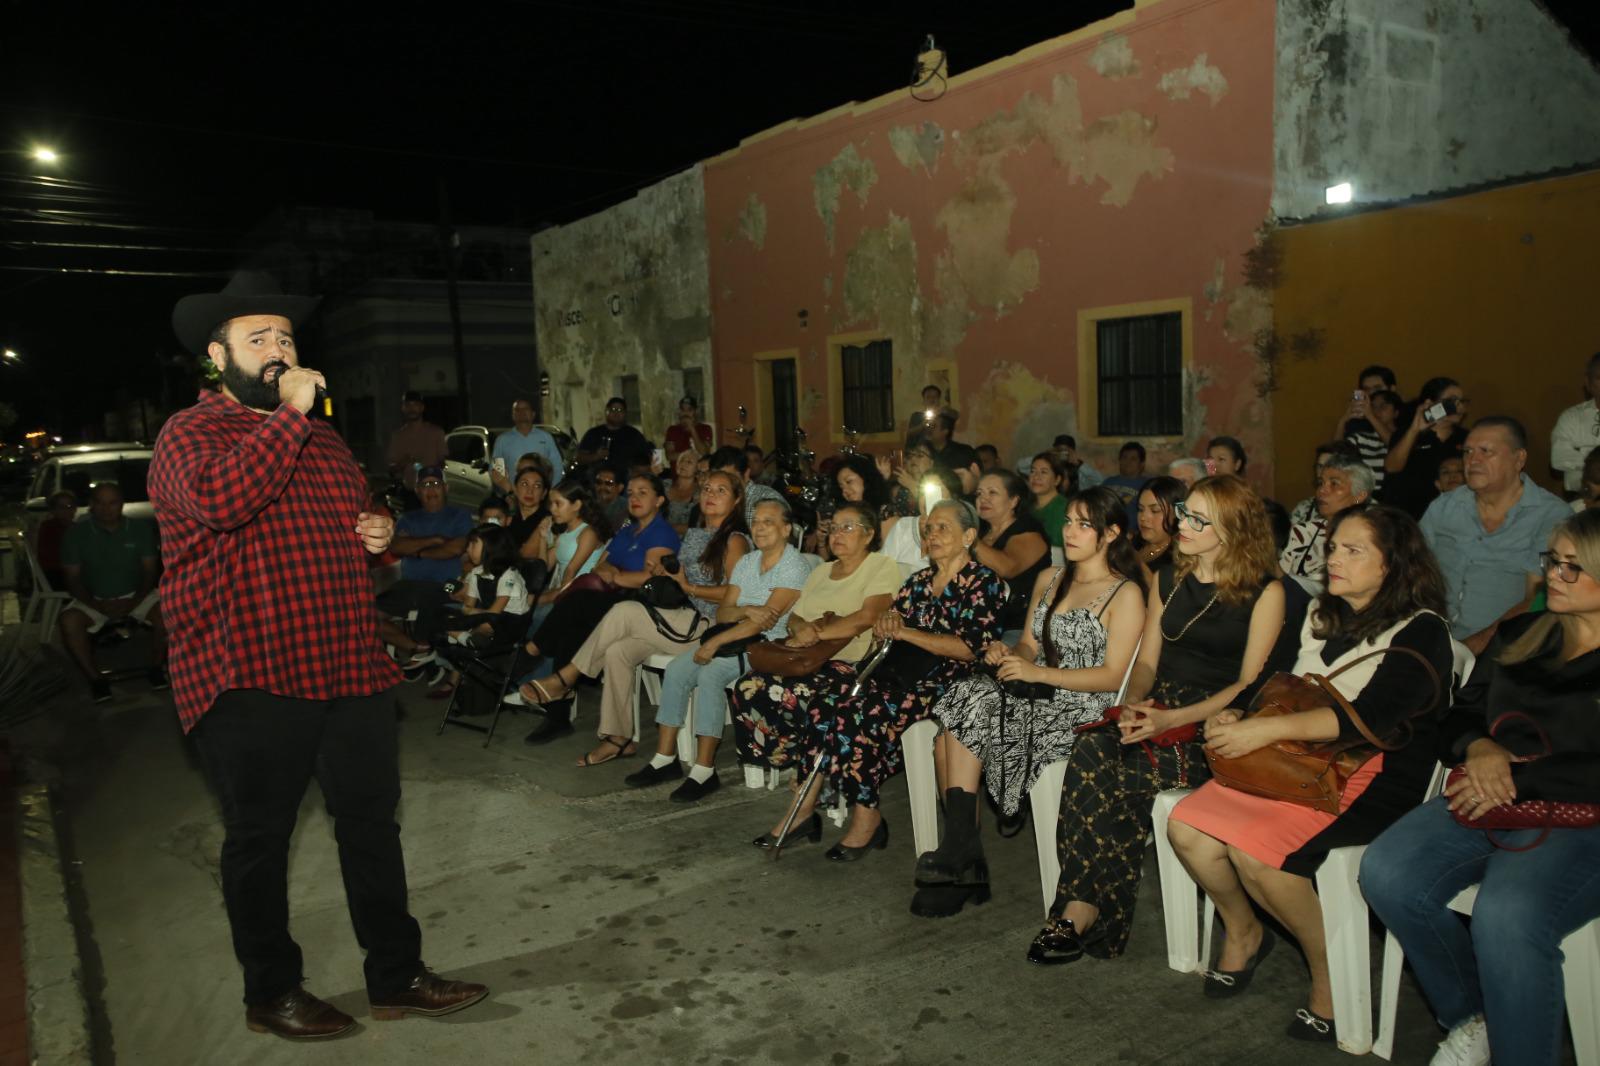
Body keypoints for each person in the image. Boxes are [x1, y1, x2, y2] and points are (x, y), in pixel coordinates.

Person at [153, 273, 484, 1039]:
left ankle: (396, 974)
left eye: (286, 337)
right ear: (217, 357)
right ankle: (272, 993)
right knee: (260, 840)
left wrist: (375, 533)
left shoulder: (323, 438)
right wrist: (292, 414)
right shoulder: (189, 436)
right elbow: (224, 502)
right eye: (258, 339)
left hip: (346, 659)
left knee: (371, 825)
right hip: (248, 670)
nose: (277, 349)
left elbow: (354, 515)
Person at [1167, 504, 1453, 1043]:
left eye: (1353, 550)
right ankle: (1245, 930)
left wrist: (1265, 731)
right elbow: (1274, 677)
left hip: (1371, 771)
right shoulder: (1322, 610)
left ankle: (1332, 980)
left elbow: (1372, 719)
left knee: (1257, 855)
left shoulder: (1422, 629)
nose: (1334, 559)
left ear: (1393, 564)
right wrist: (1239, 713)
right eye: (1333, 547)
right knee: (1186, 828)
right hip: (1292, 758)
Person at [1360, 509, 1600, 1066]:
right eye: (1552, 561)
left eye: (1573, 567)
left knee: (1508, 915)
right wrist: (1480, 747)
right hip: (1492, 798)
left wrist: (1516, 777)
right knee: (1386, 871)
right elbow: (1457, 714)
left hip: (1581, 817)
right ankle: (1477, 1019)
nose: (1554, 575)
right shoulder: (1520, 637)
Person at [1028, 475, 1284, 965]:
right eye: (1184, 512)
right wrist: (1133, 703)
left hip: (1216, 722)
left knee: (1117, 778)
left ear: (1230, 530)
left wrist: (1173, 720)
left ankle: (1083, 912)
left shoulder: (1264, 591)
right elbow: (1145, 663)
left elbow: (1247, 685)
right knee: (1091, 748)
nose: (1180, 523)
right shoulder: (1168, 577)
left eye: (1196, 519)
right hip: (1159, 707)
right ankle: (1082, 907)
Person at [918, 487, 1146, 915]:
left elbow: (1114, 675)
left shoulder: (1124, 593)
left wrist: (1039, 673)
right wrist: (1010, 655)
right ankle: (962, 848)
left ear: (1112, 533)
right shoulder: (1050, 578)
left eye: (1084, 525)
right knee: (966, 695)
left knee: (955, 727)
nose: (1070, 532)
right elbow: (1028, 643)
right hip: (1036, 693)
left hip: (1084, 708)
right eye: (1069, 522)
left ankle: (963, 856)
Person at [738, 500, 1005, 859]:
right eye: (929, 529)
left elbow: (970, 649)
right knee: (824, 706)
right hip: (898, 672)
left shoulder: (982, 582)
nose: (932, 534)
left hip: (948, 683)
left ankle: (867, 817)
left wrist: (905, 632)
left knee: (857, 715)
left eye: (943, 527)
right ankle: (804, 805)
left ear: (968, 536)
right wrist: (886, 626)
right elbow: (885, 631)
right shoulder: (918, 582)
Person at [729, 505, 901, 826]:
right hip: (807, 659)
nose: (837, 534)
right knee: (749, 687)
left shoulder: (882, 566)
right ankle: (804, 764)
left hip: (851, 663)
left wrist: (817, 634)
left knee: (796, 694)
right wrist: (801, 629)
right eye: (833, 528)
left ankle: (810, 781)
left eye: (847, 527)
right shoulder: (822, 570)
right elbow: (795, 616)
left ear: (869, 534)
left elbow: (867, 617)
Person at [633, 497, 812, 801]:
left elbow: (765, 623)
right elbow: (724, 612)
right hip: (732, 637)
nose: (759, 528)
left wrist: (717, 640)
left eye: (768, 522)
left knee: (711, 675)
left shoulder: (794, 566)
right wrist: (748, 609)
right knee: (676, 670)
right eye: (755, 522)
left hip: (766, 646)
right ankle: (665, 758)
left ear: (786, 529)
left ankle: (704, 770)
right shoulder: (747, 562)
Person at [515, 473, 684, 747]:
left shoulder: (661, 533)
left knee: (577, 602)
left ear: (659, 500)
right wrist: (614, 573)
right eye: (631, 493)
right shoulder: (627, 531)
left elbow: (650, 579)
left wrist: (617, 576)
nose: (634, 498)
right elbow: (599, 566)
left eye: (642, 492)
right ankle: (558, 714)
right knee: (573, 624)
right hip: (609, 600)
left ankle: (531, 653)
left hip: (641, 607)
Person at [1421, 416, 1570, 654]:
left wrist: (1469, 650)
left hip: (1506, 649)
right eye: (1468, 451)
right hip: (1432, 638)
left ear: (1519, 459)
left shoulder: (1551, 516)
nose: (1473, 460)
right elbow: (1410, 568)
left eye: (1486, 451)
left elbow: (1537, 600)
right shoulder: (1444, 507)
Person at [58, 482, 166, 702]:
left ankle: (157, 667)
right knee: (68, 622)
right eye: (100, 503)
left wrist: (134, 601)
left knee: (169, 613)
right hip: (94, 598)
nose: (106, 509)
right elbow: (73, 580)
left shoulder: (140, 529)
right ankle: (96, 679)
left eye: (112, 503)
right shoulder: (76, 534)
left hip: (137, 594)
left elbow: (150, 572)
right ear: (91, 505)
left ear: (121, 504)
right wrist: (96, 604)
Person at [410, 524, 532, 697]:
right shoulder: (476, 572)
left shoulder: (509, 575)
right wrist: (466, 612)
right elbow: (466, 607)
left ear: (491, 547)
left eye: (473, 544)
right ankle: (466, 639)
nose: (467, 549)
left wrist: (470, 613)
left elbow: (493, 613)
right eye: (468, 544)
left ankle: (463, 638)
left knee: (483, 623)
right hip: (486, 616)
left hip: (510, 623)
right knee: (440, 614)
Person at [377, 466, 474, 619]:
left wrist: (417, 552)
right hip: (410, 586)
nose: (431, 490)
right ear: (417, 490)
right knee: (370, 614)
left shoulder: (460, 516)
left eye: (436, 484)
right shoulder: (407, 519)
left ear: (446, 488)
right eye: (425, 485)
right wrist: (435, 539)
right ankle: (409, 637)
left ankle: (422, 633)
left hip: (447, 586)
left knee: (430, 607)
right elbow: (396, 547)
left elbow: (456, 549)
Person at [1280, 454, 1375, 593]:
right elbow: (1281, 580)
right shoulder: (1303, 532)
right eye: (1321, 483)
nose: (1322, 491)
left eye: (1334, 484)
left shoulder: (1371, 538)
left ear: (1359, 496)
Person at [970, 470, 1050, 634]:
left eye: (992, 492)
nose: (983, 499)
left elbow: (1007, 567)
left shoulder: (1029, 532)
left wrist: (968, 538)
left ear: (1014, 501)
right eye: (979, 493)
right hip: (976, 617)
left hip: (1017, 627)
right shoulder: (981, 532)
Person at [1384, 377, 1469, 518]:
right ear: (1430, 404)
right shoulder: (1407, 433)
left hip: (1452, 515)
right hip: (1408, 515)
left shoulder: (1466, 437)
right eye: (1452, 401)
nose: (1459, 407)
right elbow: (1392, 468)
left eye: (1462, 401)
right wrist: (1414, 430)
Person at [1334, 364, 1399, 494]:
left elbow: (1396, 445)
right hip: (1361, 494)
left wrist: (1370, 415)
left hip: (1394, 494)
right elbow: (1336, 455)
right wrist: (1343, 421)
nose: (1372, 394)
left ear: (1392, 389)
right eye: (1366, 390)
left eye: (1377, 388)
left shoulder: (1406, 416)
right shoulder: (1357, 424)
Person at [1550, 351, 1600, 498]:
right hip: (1579, 498)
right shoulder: (1571, 417)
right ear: (1588, 382)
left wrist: (1581, 450)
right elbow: (1558, 458)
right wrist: (1594, 459)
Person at [490, 398, 563, 496]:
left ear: (533, 414)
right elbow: (496, 471)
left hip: (540, 496)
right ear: (513, 415)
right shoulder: (502, 440)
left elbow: (557, 466)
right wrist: (508, 493)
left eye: (525, 409)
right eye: (517, 410)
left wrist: (550, 491)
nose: (522, 412)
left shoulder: (545, 437)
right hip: (513, 496)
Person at [385, 389, 447, 493]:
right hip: (410, 492)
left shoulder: (437, 432)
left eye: (415, 405)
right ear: (403, 408)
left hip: (433, 491)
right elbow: (391, 469)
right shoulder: (397, 436)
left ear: (422, 408)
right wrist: (403, 463)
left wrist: (431, 471)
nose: (412, 409)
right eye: (408, 405)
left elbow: (444, 463)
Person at [708, 444, 784, 526]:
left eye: (729, 478)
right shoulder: (713, 500)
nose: (722, 483)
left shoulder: (765, 501)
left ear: (746, 474)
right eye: (716, 478)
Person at [1289, 440, 1362, 525]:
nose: (1322, 473)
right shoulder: (1304, 508)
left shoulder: (1368, 513)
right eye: (1320, 466)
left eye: (1329, 467)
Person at [576, 396, 652, 472]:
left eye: (620, 410)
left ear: (625, 413)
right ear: (607, 411)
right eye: (613, 409)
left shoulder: (634, 434)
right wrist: (596, 456)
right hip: (599, 477)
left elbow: (648, 457)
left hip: (626, 477)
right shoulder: (594, 433)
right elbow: (579, 458)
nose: (616, 413)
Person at [1134, 475, 1185, 582]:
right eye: (1140, 509)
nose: (1143, 517)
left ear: (1177, 514)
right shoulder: (1134, 543)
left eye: (1155, 510)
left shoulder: (1179, 558)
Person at [924, 411, 981, 496]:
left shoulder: (963, 452)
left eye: (933, 426)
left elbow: (974, 481)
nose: (929, 429)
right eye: (928, 425)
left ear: (945, 431)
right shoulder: (923, 451)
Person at [504, 464, 552, 562]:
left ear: (544, 493)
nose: (530, 491)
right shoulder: (508, 516)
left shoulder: (548, 520)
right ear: (515, 489)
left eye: (537, 486)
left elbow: (526, 556)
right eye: (524, 484)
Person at [32, 489, 77, 591]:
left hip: (69, 572)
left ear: (75, 509)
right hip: (56, 574)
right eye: (61, 507)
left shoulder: (77, 528)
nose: (66, 510)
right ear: (53, 510)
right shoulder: (49, 527)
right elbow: (53, 555)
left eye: (69, 506)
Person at [1028, 452, 1071, 551]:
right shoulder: (1026, 507)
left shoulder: (1064, 508)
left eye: (1043, 472)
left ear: (1057, 480)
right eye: (1032, 471)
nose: (1036, 477)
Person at [1103, 442, 1149, 523]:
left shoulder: (1147, 485)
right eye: (1124, 458)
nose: (1128, 462)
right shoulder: (1108, 482)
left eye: (1133, 459)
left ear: (1142, 464)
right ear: (1119, 461)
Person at [663, 394, 713, 463]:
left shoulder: (705, 428)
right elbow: (670, 456)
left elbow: (704, 453)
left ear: (696, 411)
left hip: (698, 469)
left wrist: (692, 429)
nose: (685, 413)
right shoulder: (672, 430)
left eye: (689, 410)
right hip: (678, 469)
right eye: (683, 410)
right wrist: (693, 456)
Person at [664, 449, 700, 531]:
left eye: (689, 462)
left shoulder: (700, 492)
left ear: (697, 468)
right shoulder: (665, 485)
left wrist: (667, 529)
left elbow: (698, 525)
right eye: (681, 461)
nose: (683, 464)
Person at [592, 462, 629, 531]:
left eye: (608, 483)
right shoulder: (589, 506)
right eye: (599, 482)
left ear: (620, 487)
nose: (602, 487)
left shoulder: (627, 510)